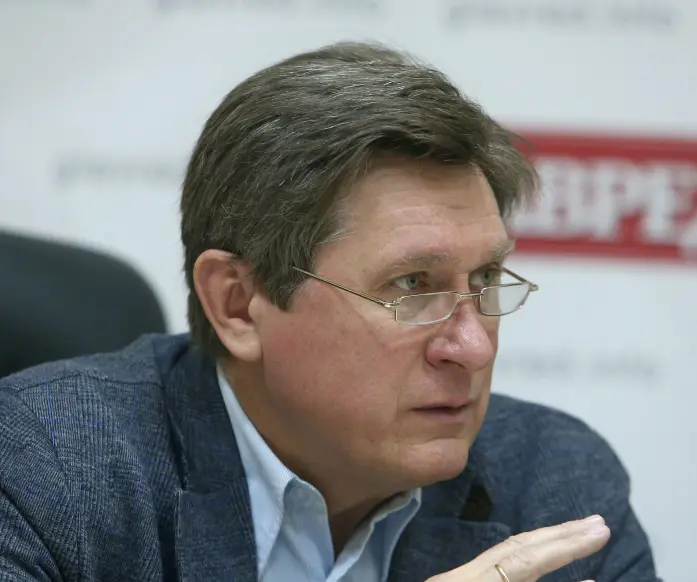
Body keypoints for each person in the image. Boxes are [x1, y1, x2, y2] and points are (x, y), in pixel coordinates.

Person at [0, 42, 660, 582]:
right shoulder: (47, 468)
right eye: (412, 285)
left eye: (485, 278)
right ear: (238, 304)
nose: (474, 347)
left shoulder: (554, 486)